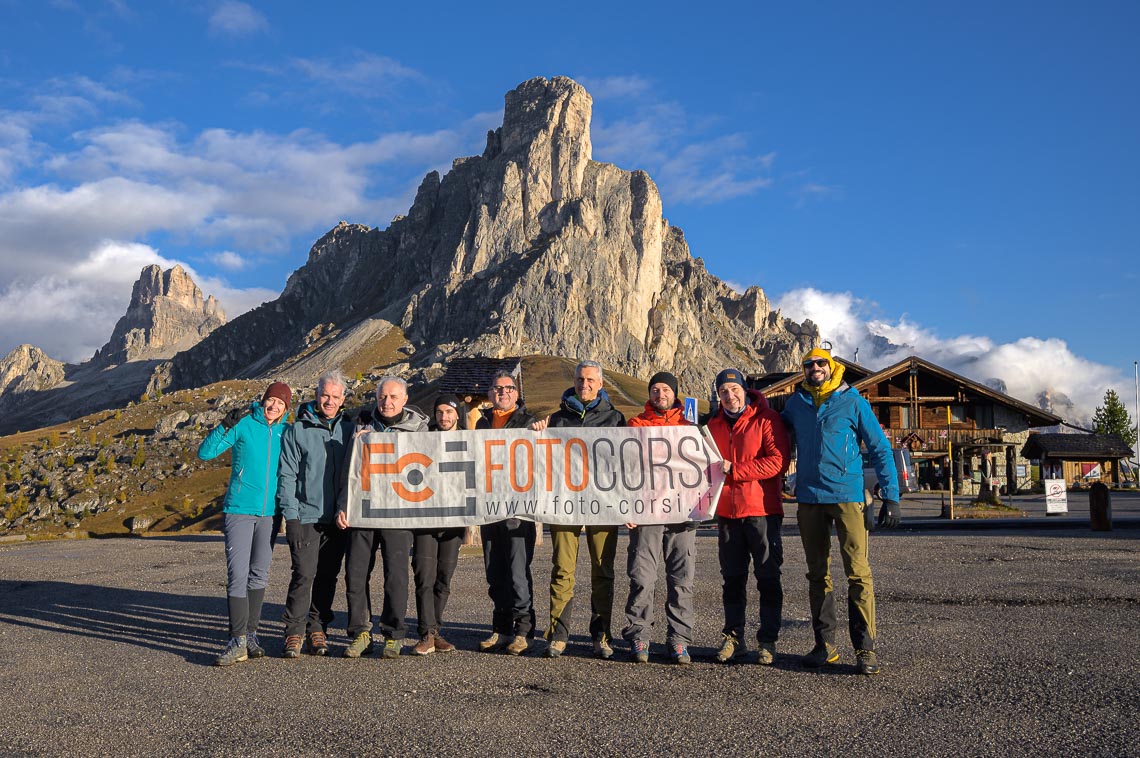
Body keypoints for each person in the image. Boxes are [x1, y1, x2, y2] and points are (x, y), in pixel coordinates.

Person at [781, 347, 900, 675]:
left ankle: (865, 649)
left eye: (821, 363)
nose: (815, 367)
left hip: (847, 497)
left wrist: (891, 496)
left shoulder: (853, 401)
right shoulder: (796, 404)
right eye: (809, 364)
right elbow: (774, 433)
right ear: (803, 370)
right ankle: (825, 646)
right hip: (809, 499)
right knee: (818, 574)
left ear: (831, 367)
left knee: (858, 573)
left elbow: (879, 447)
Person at [532, 360, 625, 659]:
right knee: (562, 570)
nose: (584, 385)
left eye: (590, 380)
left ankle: (601, 635)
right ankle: (558, 635)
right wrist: (536, 431)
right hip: (565, 505)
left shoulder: (615, 419)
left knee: (603, 571)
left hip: (603, 505)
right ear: (573, 381)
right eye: (579, 379)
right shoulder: (556, 420)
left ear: (600, 384)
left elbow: (626, 465)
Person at [198, 381, 292, 667]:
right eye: (271, 400)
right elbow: (205, 453)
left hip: (271, 514)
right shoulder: (243, 424)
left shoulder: (286, 432)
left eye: (281, 404)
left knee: (259, 574)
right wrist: (225, 425)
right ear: (263, 400)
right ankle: (237, 639)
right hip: (239, 509)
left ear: (287, 409)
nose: (274, 406)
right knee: (238, 573)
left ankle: (251, 635)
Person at [336, 376, 429, 659]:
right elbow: (347, 471)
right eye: (381, 398)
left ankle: (393, 634)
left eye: (392, 397)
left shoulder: (420, 430)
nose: (386, 403)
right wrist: (344, 504)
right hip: (362, 511)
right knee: (355, 573)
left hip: (398, 515)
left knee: (396, 576)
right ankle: (360, 632)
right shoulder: (360, 426)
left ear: (404, 399)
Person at [706, 368, 790, 665]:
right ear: (718, 396)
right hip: (727, 513)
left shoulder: (766, 419)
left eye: (734, 389)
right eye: (723, 392)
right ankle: (734, 637)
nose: (729, 395)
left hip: (762, 511)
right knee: (732, 579)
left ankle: (767, 640)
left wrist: (737, 470)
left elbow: (778, 462)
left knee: (767, 577)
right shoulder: (712, 425)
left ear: (744, 390)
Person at [621, 371, 698, 665]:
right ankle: (639, 636)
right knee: (642, 577)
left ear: (674, 393)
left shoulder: (690, 426)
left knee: (681, 579)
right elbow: (625, 469)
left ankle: (679, 640)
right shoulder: (636, 424)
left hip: (683, 511)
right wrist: (628, 505)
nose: (660, 394)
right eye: (655, 389)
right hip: (647, 511)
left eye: (665, 389)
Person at [276, 370, 354, 658]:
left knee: (328, 576)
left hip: (338, 518)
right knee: (303, 574)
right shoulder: (298, 430)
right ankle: (294, 631)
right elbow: (286, 475)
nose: (329, 401)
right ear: (316, 395)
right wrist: (291, 517)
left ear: (343, 398)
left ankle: (317, 626)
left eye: (335, 397)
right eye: (325, 395)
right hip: (306, 516)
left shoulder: (350, 428)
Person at [475, 372, 538, 656]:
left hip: (519, 510)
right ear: (490, 393)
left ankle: (523, 631)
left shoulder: (529, 422)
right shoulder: (481, 423)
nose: (503, 392)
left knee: (517, 571)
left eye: (508, 388)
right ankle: (501, 629)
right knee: (494, 571)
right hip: (490, 508)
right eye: (497, 388)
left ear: (516, 392)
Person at [410, 394, 467, 655]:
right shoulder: (423, 437)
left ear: (457, 414)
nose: (444, 417)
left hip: (454, 519)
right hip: (425, 518)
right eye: (440, 412)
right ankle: (426, 633)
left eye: (449, 412)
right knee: (424, 575)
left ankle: (435, 631)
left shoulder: (470, 440)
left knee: (444, 577)